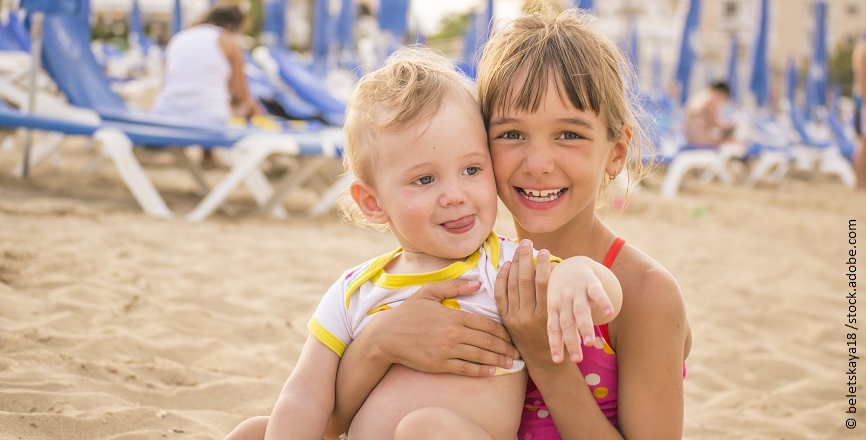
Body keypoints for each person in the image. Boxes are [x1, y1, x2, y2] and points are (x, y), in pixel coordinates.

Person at [223, 48, 623, 440]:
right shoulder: (355, 290)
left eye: (471, 169)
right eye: (425, 180)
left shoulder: (503, 266)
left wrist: (575, 272)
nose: (455, 195)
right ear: (373, 202)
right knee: (254, 431)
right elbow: (304, 396)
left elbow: (604, 295)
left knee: (425, 428)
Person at [333, 8, 692, 439]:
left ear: (615, 153)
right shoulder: (474, 272)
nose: (538, 164)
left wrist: (544, 357)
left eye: (570, 135)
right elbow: (333, 422)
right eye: (511, 135)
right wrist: (379, 342)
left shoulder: (644, 293)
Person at [152, 0, 263, 125]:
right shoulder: (228, 42)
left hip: (165, 112)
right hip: (209, 118)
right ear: (231, 26)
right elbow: (240, 95)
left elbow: (165, 81)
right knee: (250, 104)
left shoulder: (179, 38)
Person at [682, 80, 736, 146]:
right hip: (699, 139)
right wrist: (731, 126)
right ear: (721, 93)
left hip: (689, 137)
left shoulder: (703, 95)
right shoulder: (712, 98)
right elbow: (715, 123)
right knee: (732, 142)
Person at [853, 34, 866, 190]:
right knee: (864, 143)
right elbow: (863, 79)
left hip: (861, 99)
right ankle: (859, 183)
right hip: (863, 100)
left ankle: (860, 182)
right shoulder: (863, 50)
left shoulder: (860, 48)